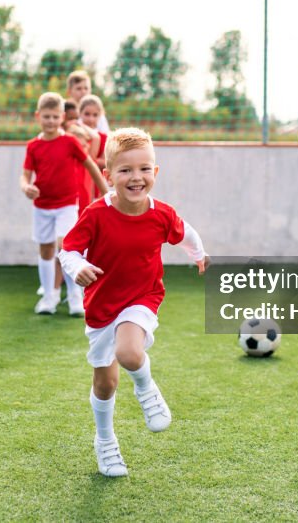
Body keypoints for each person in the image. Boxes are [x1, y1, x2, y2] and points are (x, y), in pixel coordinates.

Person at [59, 128, 209, 476]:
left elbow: (187, 233)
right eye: (125, 170)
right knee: (105, 382)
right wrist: (78, 266)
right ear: (109, 175)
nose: (135, 177)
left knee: (129, 352)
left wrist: (200, 255)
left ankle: (146, 388)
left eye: (144, 169)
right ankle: (105, 441)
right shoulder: (96, 214)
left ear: (155, 173)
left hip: (143, 298)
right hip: (101, 306)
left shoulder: (161, 214)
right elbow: (69, 249)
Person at [20, 92, 109, 316]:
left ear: (62, 117)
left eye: (55, 117)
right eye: (46, 117)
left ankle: (74, 298)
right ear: (38, 116)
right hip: (42, 207)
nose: (50, 121)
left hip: (68, 205)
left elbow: (90, 166)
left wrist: (106, 194)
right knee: (46, 249)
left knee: (66, 246)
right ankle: (49, 298)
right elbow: (25, 176)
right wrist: (26, 187)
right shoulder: (33, 146)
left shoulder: (70, 141)